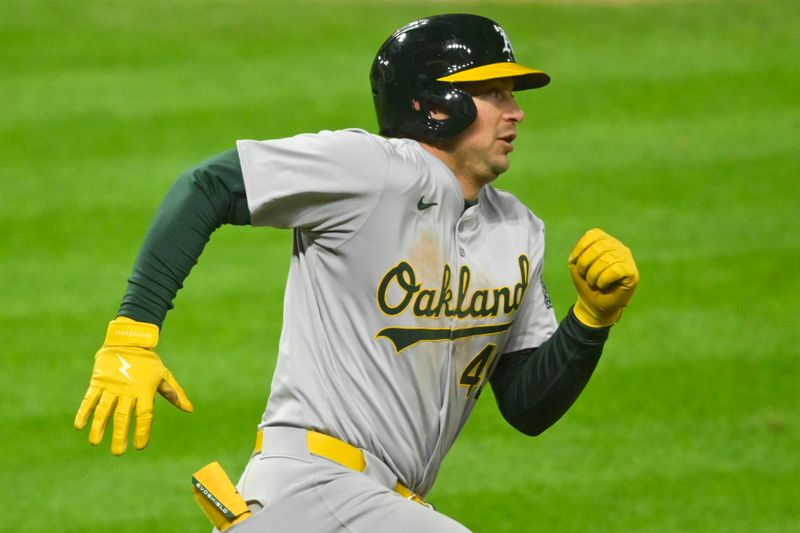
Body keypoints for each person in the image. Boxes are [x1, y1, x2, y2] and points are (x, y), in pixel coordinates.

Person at [74, 13, 639, 532]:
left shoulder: (518, 229)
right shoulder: (372, 169)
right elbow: (210, 185)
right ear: (437, 103)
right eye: (493, 93)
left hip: (376, 507)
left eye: (511, 94)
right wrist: (133, 333)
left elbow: (526, 406)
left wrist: (590, 320)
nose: (515, 111)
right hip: (313, 484)